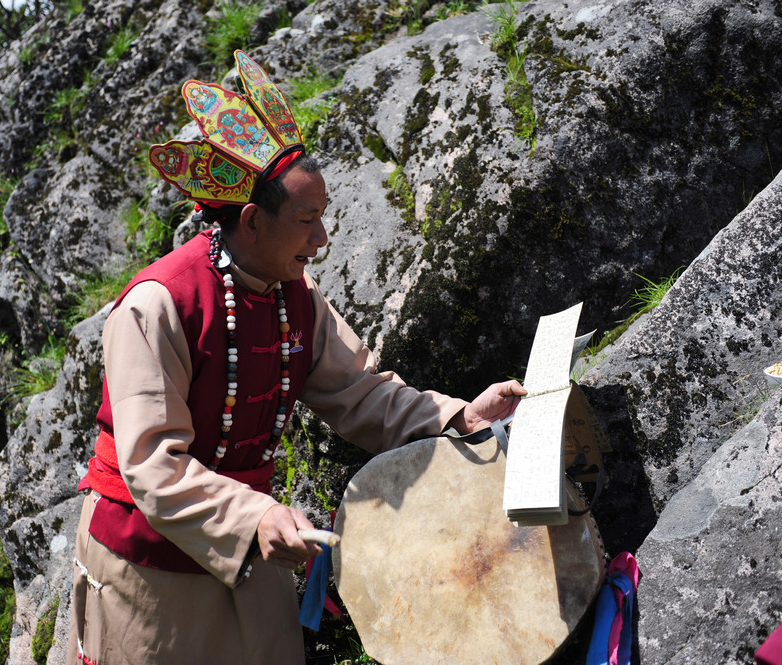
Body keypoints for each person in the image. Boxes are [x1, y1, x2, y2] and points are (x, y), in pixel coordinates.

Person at [67, 51, 526, 665]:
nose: (322, 238)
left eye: (324, 218)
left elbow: (360, 392)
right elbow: (152, 465)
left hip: (256, 548)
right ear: (253, 221)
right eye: (308, 219)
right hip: (147, 568)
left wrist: (459, 418)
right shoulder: (157, 307)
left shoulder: (295, 298)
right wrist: (255, 517)